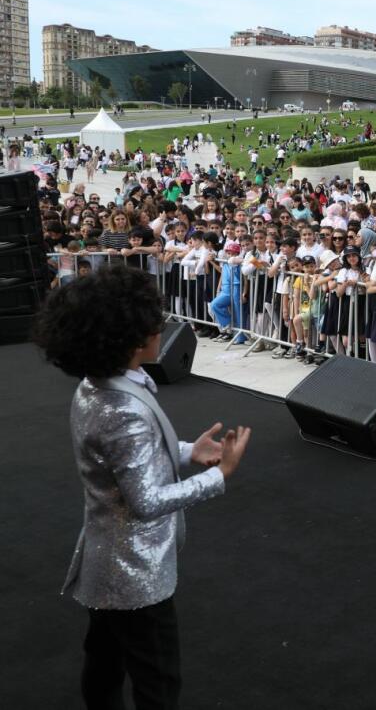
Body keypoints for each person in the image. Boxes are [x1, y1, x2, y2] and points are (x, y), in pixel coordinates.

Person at [32, 264, 251, 709]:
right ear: (132, 337)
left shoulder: (97, 387)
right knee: (157, 680)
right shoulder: (122, 407)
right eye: (156, 321)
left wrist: (188, 452)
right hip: (134, 572)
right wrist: (218, 475)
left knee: (105, 661)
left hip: (106, 560)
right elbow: (147, 500)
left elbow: (127, 460)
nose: (162, 329)